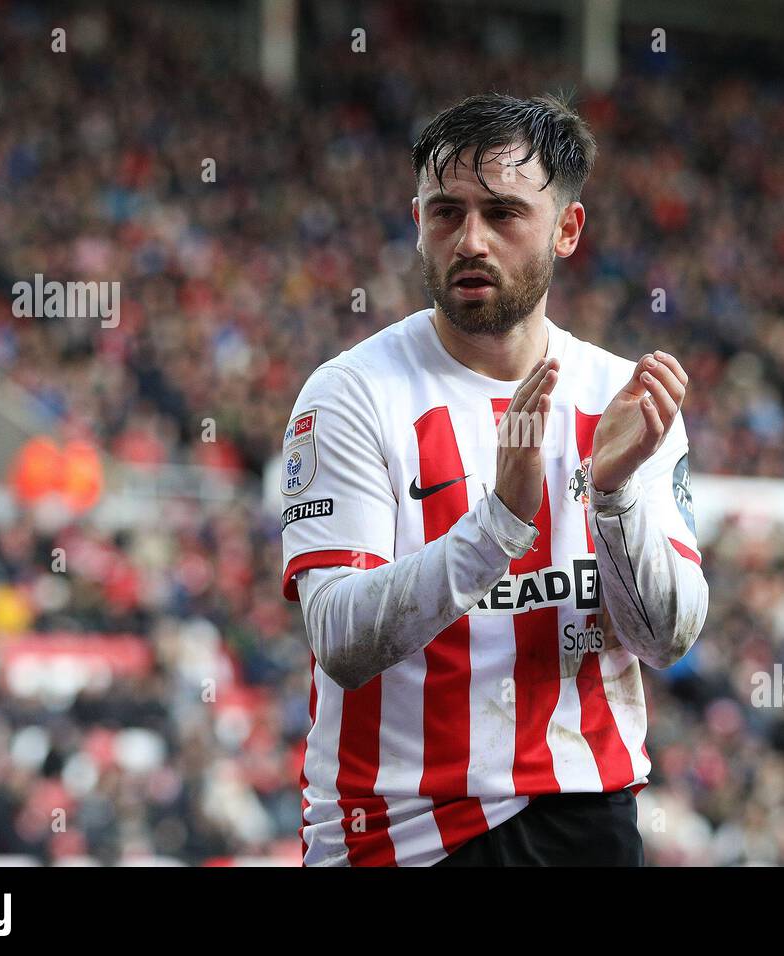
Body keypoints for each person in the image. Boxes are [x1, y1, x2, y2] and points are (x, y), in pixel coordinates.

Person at [280, 92, 708, 866]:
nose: (470, 240)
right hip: (405, 833)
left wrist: (611, 501)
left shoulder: (626, 400)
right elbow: (339, 639)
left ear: (567, 230)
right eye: (445, 213)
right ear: (417, 221)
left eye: (503, 214)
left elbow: (666, 637)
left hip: (588, 816)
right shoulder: (350, 395)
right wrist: (500, 523)